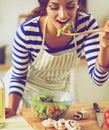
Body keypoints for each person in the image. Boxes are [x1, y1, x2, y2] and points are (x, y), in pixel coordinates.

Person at [5, 0, 109, 118]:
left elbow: (99, 79)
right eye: (54, 7)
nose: (63, 15)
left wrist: (105, 46)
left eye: (70, 6)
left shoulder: (86, 24)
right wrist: (12, 109)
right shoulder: (27, 32)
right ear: (45, 7)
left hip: (59, 97)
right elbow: (18, 77)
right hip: (24, 95)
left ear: (78, 4)